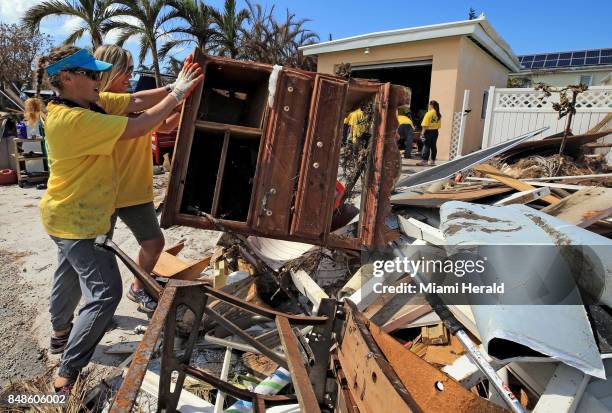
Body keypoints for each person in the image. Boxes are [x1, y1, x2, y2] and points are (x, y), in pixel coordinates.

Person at [35, 45, 202, 392]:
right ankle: (66, 375)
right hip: (77, 220)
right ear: (67, 78)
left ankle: (60, 333)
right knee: (105, 293)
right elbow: (139, 125)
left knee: (69, 273)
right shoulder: (74, 119)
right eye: (92, 74)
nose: (99, 79)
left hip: (71, 213)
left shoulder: (85, 102)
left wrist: (178, 87)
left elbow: (137, 102)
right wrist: (177, 93)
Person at [94, 45, 180, 313]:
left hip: (136, 189)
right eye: (127, 70)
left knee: (154, 243)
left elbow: (162, 124)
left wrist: (187, 104)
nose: (131, 75)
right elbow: (143, 113)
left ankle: (138, 288)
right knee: (97, 254)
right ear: (110, 70)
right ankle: (94, 309)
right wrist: (176, 93)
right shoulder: (99, 103)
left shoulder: (130, 100)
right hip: (103, 191)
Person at [417, 100, 442, 166]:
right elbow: (439, 126)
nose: (428, 106)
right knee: (433, 146)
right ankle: (432, 161)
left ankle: (424, 161)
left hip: (428, 132)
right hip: (435, 132)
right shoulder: (438, 114)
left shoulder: (429, 113)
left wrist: (422, 133)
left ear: (431, 105)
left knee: (426, 146)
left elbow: (425, 125)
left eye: (429, 105)